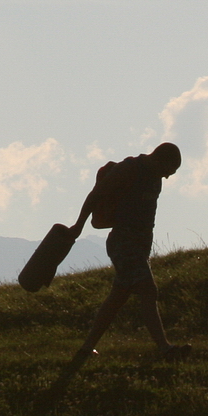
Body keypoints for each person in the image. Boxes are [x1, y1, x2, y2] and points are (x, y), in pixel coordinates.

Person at [69, 142, 190, 363]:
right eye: (168, 171)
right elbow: (96, 194)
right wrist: (78, 225)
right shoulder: (128, 169)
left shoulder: (155, 177)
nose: (167, 177)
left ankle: (85, 350)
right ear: (159, 159)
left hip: (139, 246)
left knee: (117, 299)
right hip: (123, 243)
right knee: (148, 289)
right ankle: (165, 350)